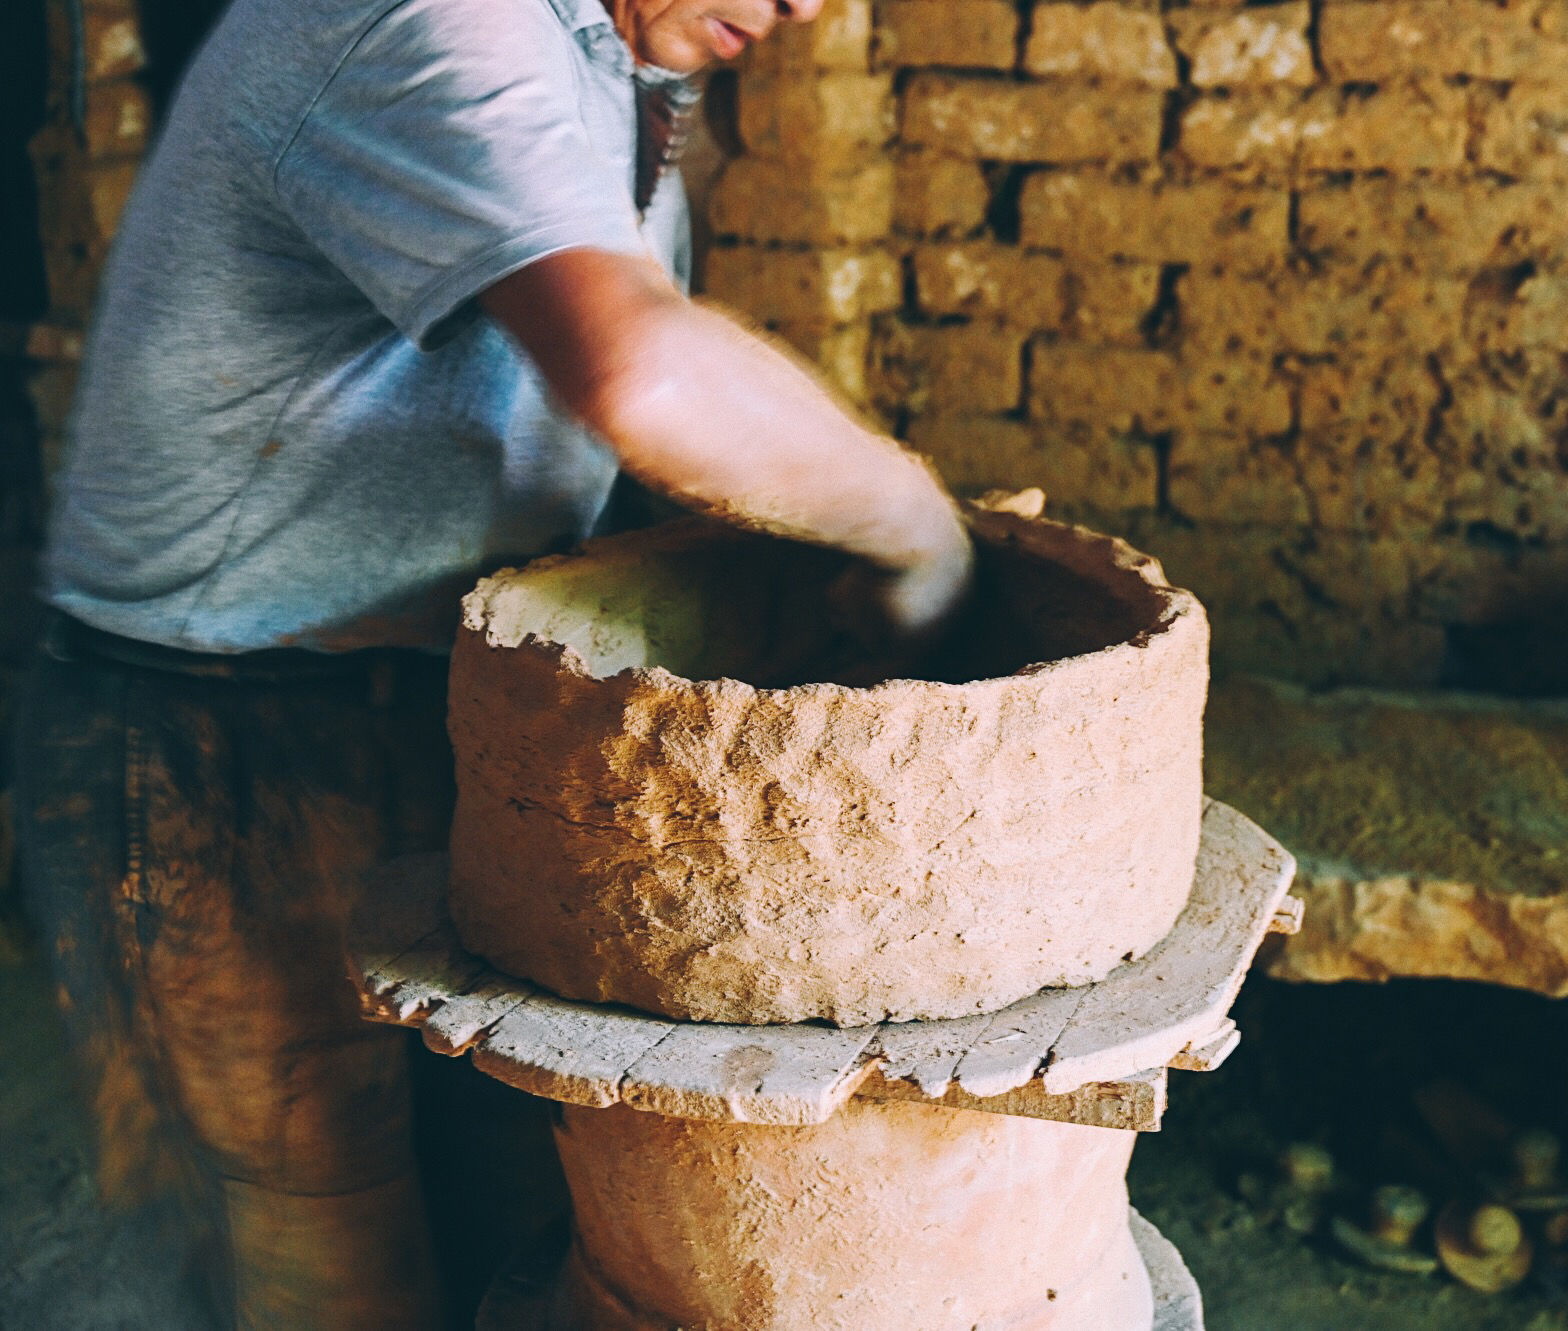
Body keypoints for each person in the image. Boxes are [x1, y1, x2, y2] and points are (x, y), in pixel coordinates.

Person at [13, 0, 972, 1326]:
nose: (807, 5)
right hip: (228, 741)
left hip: (445, 709)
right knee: (330, 1257)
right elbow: (639, 375)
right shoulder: (437, 18)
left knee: (527, 1224)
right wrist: (915, 520)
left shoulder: (605, 65)